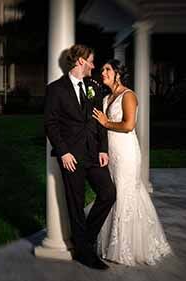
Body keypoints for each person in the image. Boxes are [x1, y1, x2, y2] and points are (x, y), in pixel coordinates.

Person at [92, 59, 172, 265]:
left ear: (118, 73)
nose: (103, 72)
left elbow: (128, 125)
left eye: (107, 69)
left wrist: (106, 122)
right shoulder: (107, 96)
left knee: (125, 193)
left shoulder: (129, 96)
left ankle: (126, 248)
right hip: (110, 152)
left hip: (126, 153)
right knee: (111, 194)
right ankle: (110, 241)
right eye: (102, 69)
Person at [44, 44, 116, 270]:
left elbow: (99, 119)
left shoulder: (93, 86)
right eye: (91, 61)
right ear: (80, 62)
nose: (94, 66)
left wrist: (103, 148)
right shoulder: (56, 89)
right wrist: (63, 151)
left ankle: (84, 239)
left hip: (94, 153)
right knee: (75, 204)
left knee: (108, 193)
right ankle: (85, 253)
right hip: (71, 156)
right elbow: (51, 123)